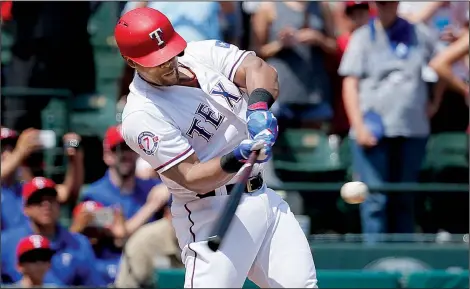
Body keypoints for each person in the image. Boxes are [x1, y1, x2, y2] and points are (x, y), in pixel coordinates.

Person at [116, 7, 317, 288]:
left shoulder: (201, 53)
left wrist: (258, 107)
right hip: (211, 211)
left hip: (262, 196)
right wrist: (237, 156)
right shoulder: (141, 114)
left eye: (167, 51)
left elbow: (259, 69)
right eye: (155, 59)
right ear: (130, 61)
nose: (166, 62)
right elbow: (192, 177)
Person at [339, 1, 440, 243]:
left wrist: (435, 100)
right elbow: (349, 84)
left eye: (390, 2)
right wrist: (359, 126)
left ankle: (404, 259)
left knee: (405, 199)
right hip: (372, 131)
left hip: (412, 130)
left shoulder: (420, 33)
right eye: (381, 3)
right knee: (374, 200)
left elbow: (440, 65)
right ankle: (376, 264)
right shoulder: (362, 37)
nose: (386, 7)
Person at [1, 177, 106, 286]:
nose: (46, 205)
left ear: (58, 204)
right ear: (25, 208)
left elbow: (95, 285)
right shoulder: (6, 242)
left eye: (51, 199)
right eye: (37, 200)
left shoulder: (79, 243)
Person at [81, 125, 169, 237]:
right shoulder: (94, 196)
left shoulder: (152, 186)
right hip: (114, 254)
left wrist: (169, 186)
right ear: (107, 155)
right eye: (120, 149)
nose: (127, 154)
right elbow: (118, 235)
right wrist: (152, 205)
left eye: (131, 148)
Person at [1, 128, 84, 231]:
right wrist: (19, 152)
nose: (7, 153)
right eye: (2, 148)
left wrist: (75, 157)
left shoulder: (23, 180)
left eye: (12, 147)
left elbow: (66, 194)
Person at [115, 196, 184, 288]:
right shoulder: (146, 240)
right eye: (183, 213)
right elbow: (129, 284)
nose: (190, 218)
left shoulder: (201, 236)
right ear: (168, 214)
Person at [70, 200, 127, 285]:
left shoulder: (111, 248)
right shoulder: (74, 251)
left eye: (97, 218)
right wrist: (75, 230)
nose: (92, 228)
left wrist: (121, 236)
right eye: (86, 221)